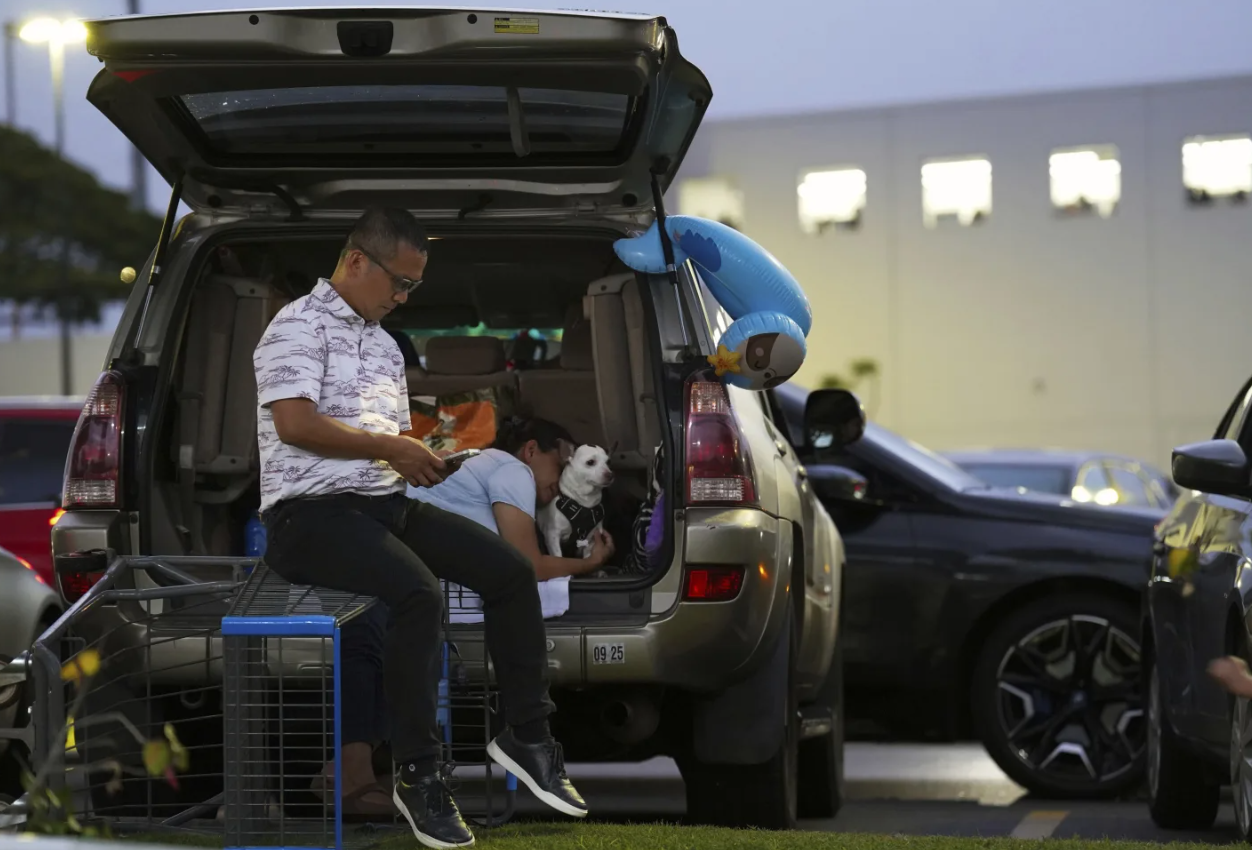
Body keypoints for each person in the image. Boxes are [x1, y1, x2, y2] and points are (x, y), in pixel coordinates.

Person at [253, 206, 586, 849]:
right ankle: (418, 774)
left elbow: (383, 445)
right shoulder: (295, 325)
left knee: (511, 573)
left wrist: (419, 459)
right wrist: (391, 448)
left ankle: (529, 736)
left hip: (383, 503)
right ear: (356, 261)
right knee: (418, 594)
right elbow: (295, 425)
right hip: (307, 516)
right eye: (399, 282)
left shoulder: (383, 345)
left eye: (413, 287)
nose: (404, 297)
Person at [411, 417, 616, 584]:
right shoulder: (516, 471)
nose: (563, 481)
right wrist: (592, 562)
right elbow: (530, 567)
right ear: (531, 451)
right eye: (560, 468)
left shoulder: (488, 464)